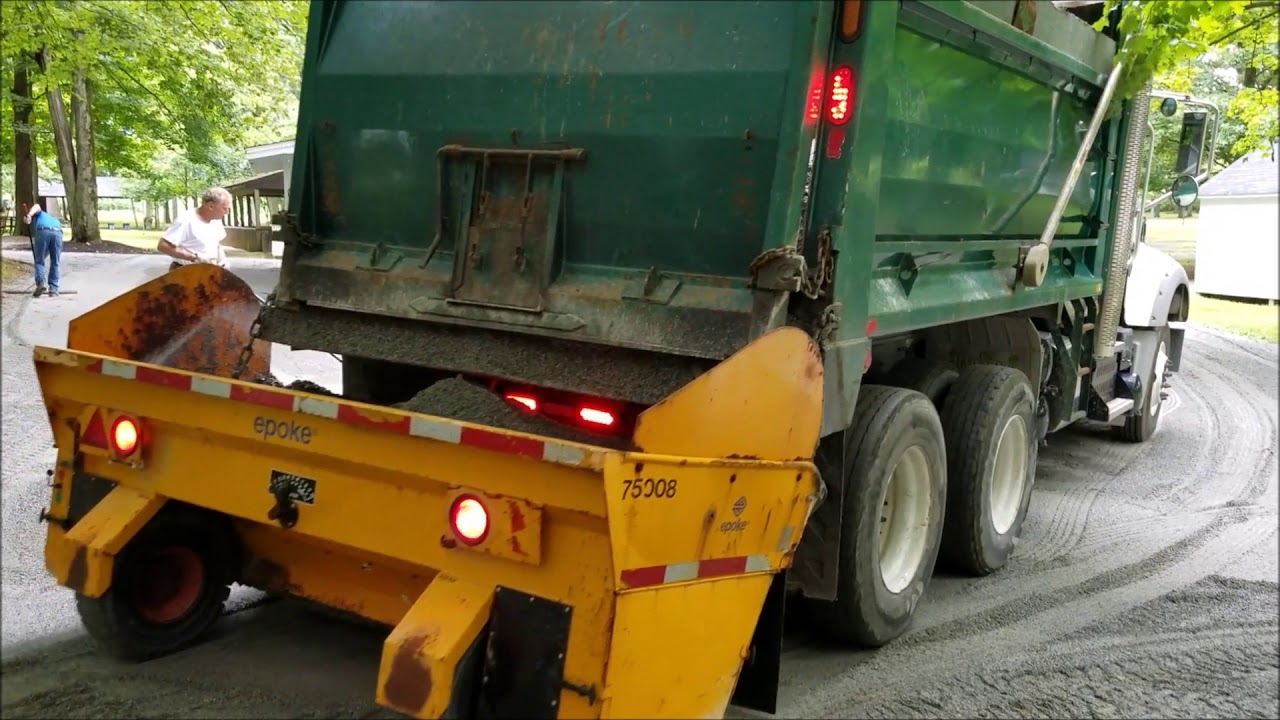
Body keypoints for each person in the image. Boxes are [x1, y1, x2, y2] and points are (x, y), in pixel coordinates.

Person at [157, 187, 233, 271]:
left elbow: (216, 244)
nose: (227, 212)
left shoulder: (216, 220)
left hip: (208, 272)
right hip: (185, 271)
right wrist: (194, 258)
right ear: (211, 206)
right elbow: (163, 246)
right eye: (224, 208)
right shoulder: (186, 220)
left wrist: (223, 260)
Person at [24, 202, 63, 298]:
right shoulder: (54, 220)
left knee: (39, 261)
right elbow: (48, 251)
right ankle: (53, 290)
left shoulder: (40, 214)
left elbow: (37, 206)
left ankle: (40, 283)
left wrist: (29, 215)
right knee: (55, 261)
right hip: (58, 232)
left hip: (43, 230)